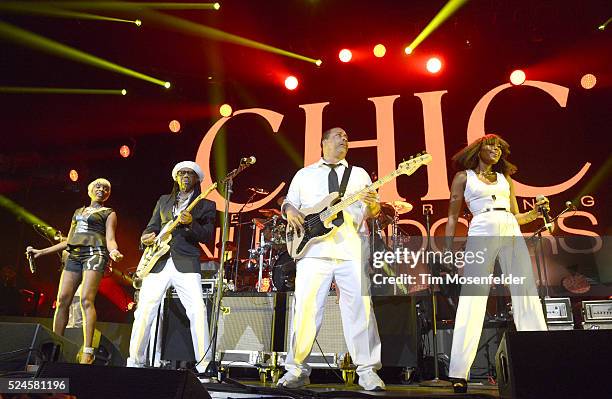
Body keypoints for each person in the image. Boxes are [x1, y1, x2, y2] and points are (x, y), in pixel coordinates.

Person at [278, 127, 385, 391]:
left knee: (360, 309)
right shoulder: (305, 174)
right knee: (305, 309)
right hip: (313, 251)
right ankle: (296, 370)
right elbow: (289, 203)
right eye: (339, 135)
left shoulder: (358, 174)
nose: (345, 138)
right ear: (323, 141)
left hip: (350, 247)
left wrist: (372, 204)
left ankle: (368, 370)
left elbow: (372, 211)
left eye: (347, 136)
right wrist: (290, 209)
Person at [444, 134, 548, 393]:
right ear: (478, 150)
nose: (496, 150)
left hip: (510, 228)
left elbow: (516, 216)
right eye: (491, 146)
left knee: (525, 291)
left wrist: (535, 212)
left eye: (500, 148)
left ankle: (541, 360)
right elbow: (452, 216)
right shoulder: (463, 178)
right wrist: (446, 248)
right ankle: (459, 372)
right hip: (481, 227)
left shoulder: (505, 179)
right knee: (473, 297)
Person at [127, 161, 215, 374]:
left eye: (190, 174)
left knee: (197, 311)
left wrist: (191, 223)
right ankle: (134, 363)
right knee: (145, 311)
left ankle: (204, 365)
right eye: (182, 173)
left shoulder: (205, 204)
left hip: (186, 262)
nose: (185, 176)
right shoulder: (163, 201)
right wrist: (145, 238)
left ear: (197, 179)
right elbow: (152, 226)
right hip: (158, 262)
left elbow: (207, 236)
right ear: (176, 178)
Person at [26, 178, 123, 364]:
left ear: (108, 194)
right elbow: (69, 241)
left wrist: (114, 251)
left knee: (86, 300)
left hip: (95, 254)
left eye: (106, 188)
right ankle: (56, 345)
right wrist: (41, 252)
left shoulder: (109, 213)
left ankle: (88, 350)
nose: (101, 189)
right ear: (90, 190)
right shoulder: (78, 212)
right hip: (74, 256)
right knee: (62, 300)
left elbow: (110, 238)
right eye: (98, 186)